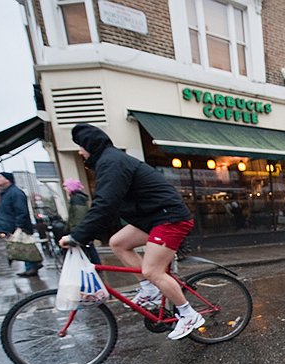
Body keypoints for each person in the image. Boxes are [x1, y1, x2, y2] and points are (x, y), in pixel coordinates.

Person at [59, 123, 203, 341]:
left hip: (169, 217)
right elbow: (106, 205)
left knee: (153, 270)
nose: (80, 152)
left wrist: (78, 236)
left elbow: (104, 204)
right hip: (152, 218)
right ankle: (149, 290)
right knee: (118, 242)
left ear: (90, 145)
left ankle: (189, 315)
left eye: (81, 147)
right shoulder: (108, 161)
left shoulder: (112, 162)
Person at [0, 171, 41, 277]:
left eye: (0, 177)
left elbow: (21, 211)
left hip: (17, 226)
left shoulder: (15, 193)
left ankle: (33, 265)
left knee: (24, 245)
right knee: (21, 245)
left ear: (7, 179)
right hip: (11, 226)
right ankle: (32, 266)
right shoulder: (7, 193)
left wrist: (19, 226)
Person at [62, 178, 101, 264]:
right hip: (81, 226)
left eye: (67, 188)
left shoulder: (76, 199)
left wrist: (76, 230)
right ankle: (95, 265)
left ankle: (94, 266)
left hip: (79, 227)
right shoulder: (79, 198)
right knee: (89, 246)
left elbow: (79, 215)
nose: (66, 190)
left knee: (87, 247)